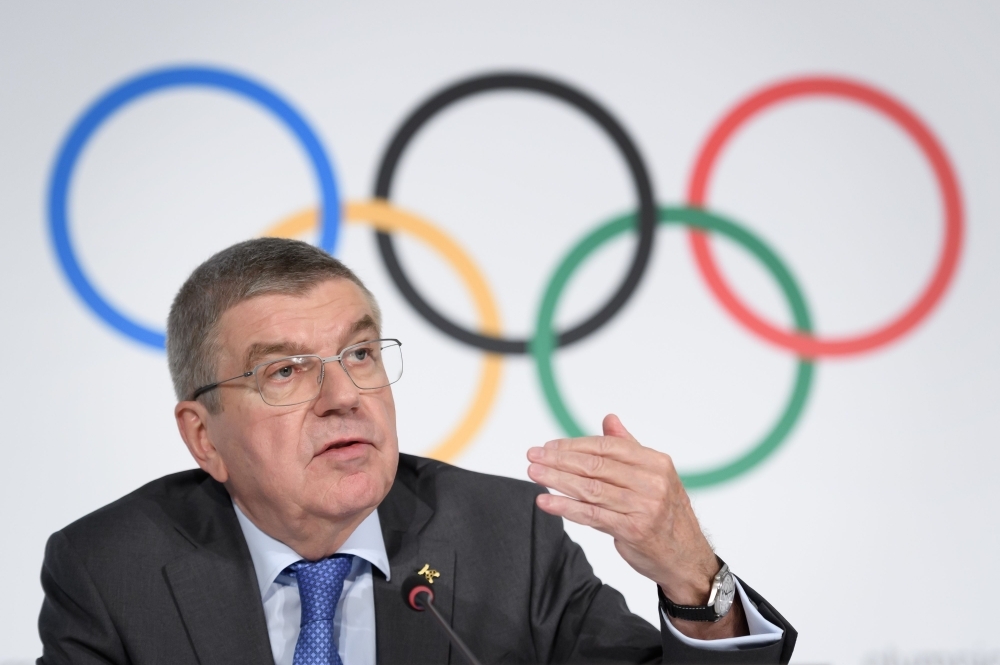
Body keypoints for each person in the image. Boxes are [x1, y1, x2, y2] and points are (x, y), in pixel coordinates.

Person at [37, 238, 795, 665]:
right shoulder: (112, 571)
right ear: (205, 438)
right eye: (286, 371)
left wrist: (694, 578)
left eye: (360, 353)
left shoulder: (505, 536)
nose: (344, 396)